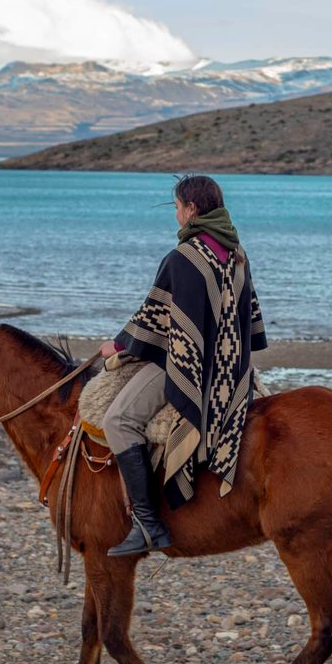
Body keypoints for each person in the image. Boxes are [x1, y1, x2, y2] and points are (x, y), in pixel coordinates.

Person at [97, 175, 267, 556]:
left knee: (117, 420)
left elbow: (153, 319)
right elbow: (249, 318)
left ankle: (147, 524)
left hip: (190, 371)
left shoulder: (183, 257)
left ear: (191, 210)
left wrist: (118, 345)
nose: (175, 216)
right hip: (232, 372)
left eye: (176, 208)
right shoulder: (238, 255)